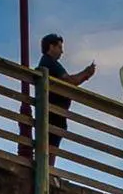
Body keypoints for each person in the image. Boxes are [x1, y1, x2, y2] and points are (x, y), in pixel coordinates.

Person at [34, 31, 93, 161]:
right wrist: (86, 73)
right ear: (51, 46)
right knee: (51, 144)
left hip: (54, 111)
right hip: (54, 112)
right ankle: (48, 172)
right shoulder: (50, 63)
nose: (62, 52)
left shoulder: (47, 62)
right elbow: (70, 82)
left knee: (50, 144)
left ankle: (48, 171)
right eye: (59, 47)